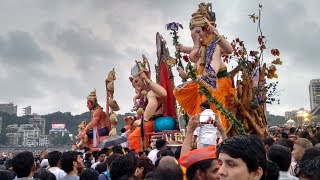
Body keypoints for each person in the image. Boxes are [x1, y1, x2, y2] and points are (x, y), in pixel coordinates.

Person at [173, 2, 235, 133]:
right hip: (204, 80)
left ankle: (218, 133)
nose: (198, 36)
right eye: (194, 33)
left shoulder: (215, 44)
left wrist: (216, 34)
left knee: (211, 105)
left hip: (218, 82)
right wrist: (185, 49)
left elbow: (229, 50)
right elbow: (196, 57)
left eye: (198, 32)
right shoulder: (203, 46)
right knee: (180, 91)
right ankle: (201, 131)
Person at [128, 56, 167, 152]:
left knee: (134, 136)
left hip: (154, 121)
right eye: (134, 83)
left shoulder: (151, 91)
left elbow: (154, 102)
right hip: (148, 121)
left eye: (137, 81)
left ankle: (138, 156)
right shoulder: (144, 93)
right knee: (129, 131)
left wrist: (143, 120)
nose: (136, 86)